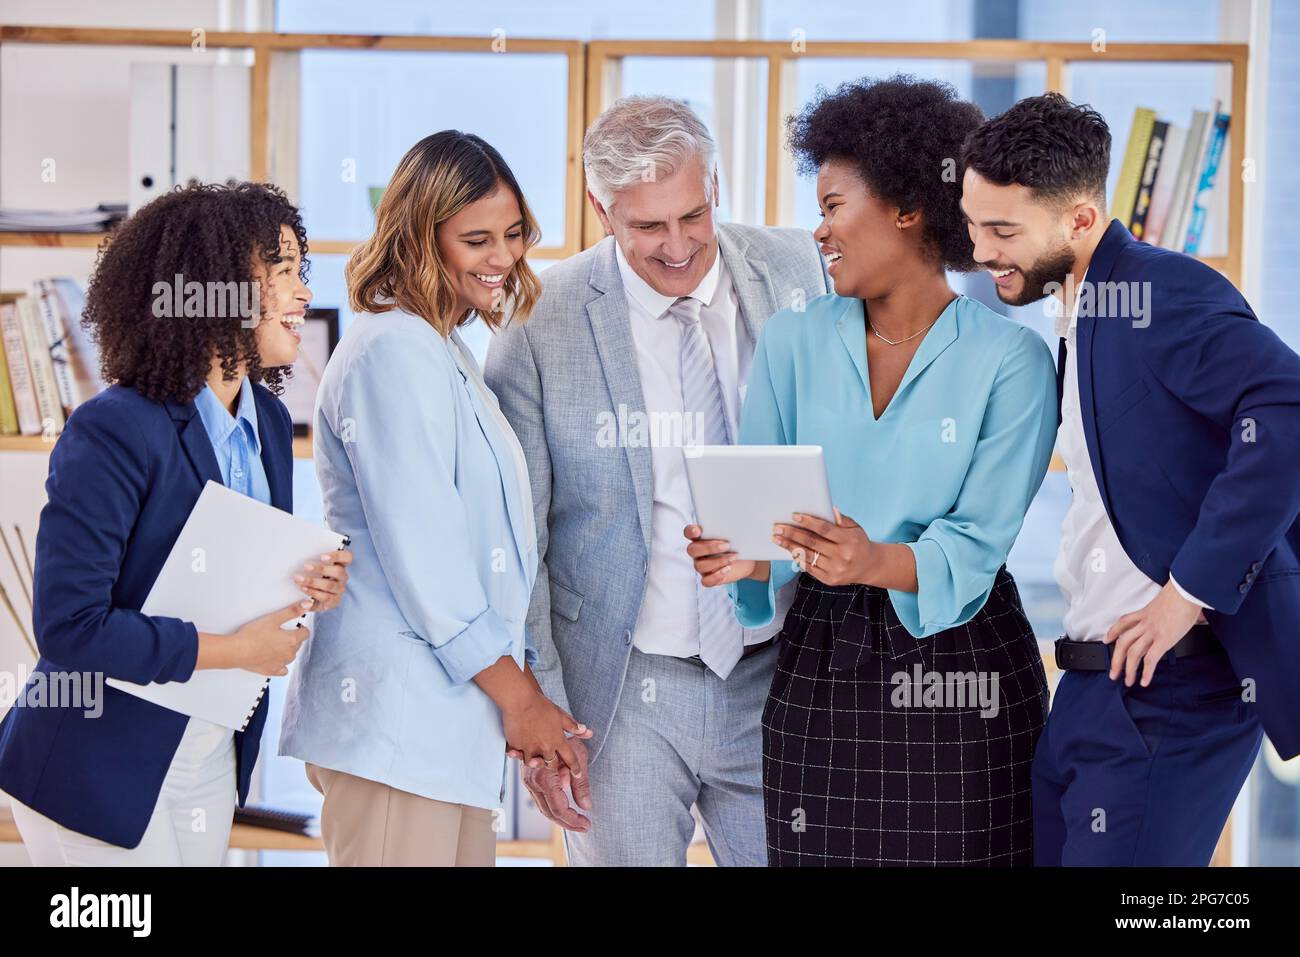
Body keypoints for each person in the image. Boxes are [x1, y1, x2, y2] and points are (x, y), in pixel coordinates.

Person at [687, 76, 1057, 866]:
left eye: (832, 206)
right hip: (823, 663)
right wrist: (747, 558)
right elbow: (767, 513)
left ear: (908, 207)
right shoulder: (794, 341)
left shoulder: (1011, 362)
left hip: (963, 664)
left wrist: (872, 559)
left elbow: (979, 541)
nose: (818, 232)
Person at [485, 95, 829, 866]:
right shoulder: (539, 318)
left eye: (692, 215)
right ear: (600, 209)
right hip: (620, 688)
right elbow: (519, 537)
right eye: (647, 227)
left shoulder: (800, 269)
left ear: (716, 188)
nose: (678, 247)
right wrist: (542, 709)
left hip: (777, 669)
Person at [961, 92, 1300, 866]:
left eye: (1004, 230)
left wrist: (1190, 593)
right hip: (1089, 685)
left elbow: (1288, 406)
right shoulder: (1077, 311)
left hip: (1171, 693)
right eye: (975, 223)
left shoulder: (1158, 291)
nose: (982, 250)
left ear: (1081, 221)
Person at [0, 181, 352, 865]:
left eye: (299, 272)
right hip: (91, 760)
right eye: (280, 272)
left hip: (206, 749)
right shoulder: (114, 428)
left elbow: (223, 576)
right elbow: (70, 627)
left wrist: (307, 584)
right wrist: (238, 650)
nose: (302, 293)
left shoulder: (271, 422)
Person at [279, 131, 590, 867]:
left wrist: (515, 705)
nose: (504, 257)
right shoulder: (391, 350)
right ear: (422, 238)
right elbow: (431, 563)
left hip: (444, 732)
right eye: (476, 238)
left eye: (513, 234)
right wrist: (523, 702)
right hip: (395, 730)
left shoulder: (444, 350)